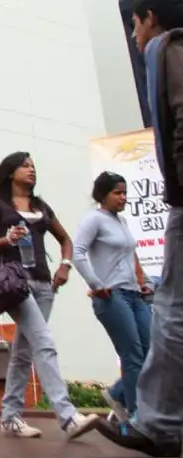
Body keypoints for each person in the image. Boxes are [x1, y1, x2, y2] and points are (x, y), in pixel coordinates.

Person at [96, 0, 183, 457]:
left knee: (171, 317)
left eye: (134, 23)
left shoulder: (166, 50)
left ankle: (157, 425)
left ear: (150, 18)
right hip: (120, 294)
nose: (132, 34)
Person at [0, 151, 99, 440]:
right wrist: (7, 239)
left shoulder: (41, 206)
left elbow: (66, 239)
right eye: (24, 165)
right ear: (9, 173)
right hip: (15, 285)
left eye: (33, 165)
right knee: (44, 343)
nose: (31, 170)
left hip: (45, 286)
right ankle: (68, 417)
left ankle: (10, 417)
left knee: (23, 351)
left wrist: (65, 266)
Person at [71, 172, 153, 421]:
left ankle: (117, 393)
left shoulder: (123, 222)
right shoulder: (94, 220)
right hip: (112, 296)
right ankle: (137, 414)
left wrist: (144, 281)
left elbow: (131, 256)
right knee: (133, 355)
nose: (123, 197)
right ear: (102, 195)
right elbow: (77, 251)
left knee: (151, 353)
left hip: (135, 295)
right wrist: (96, 284)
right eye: (117, 193)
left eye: (124, 193)